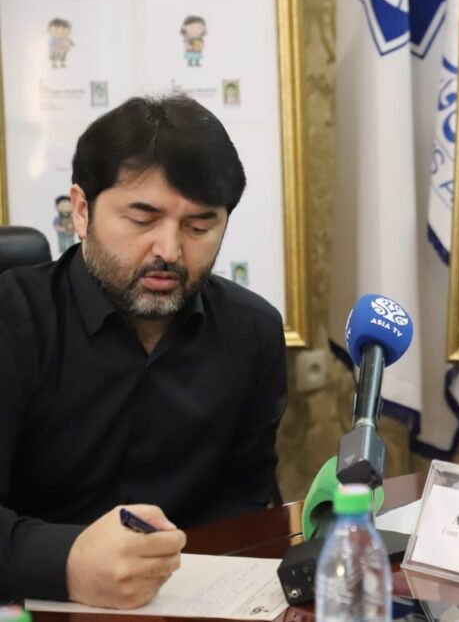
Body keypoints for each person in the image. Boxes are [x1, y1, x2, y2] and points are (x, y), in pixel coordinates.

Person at [0, 96, 287, 606]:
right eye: (142, 219)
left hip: (187, 599)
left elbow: (243, 500)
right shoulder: (12, 320)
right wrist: (66, 562)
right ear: (82, 210)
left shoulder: (254, 332)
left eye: (199, 227)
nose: (169, 251)